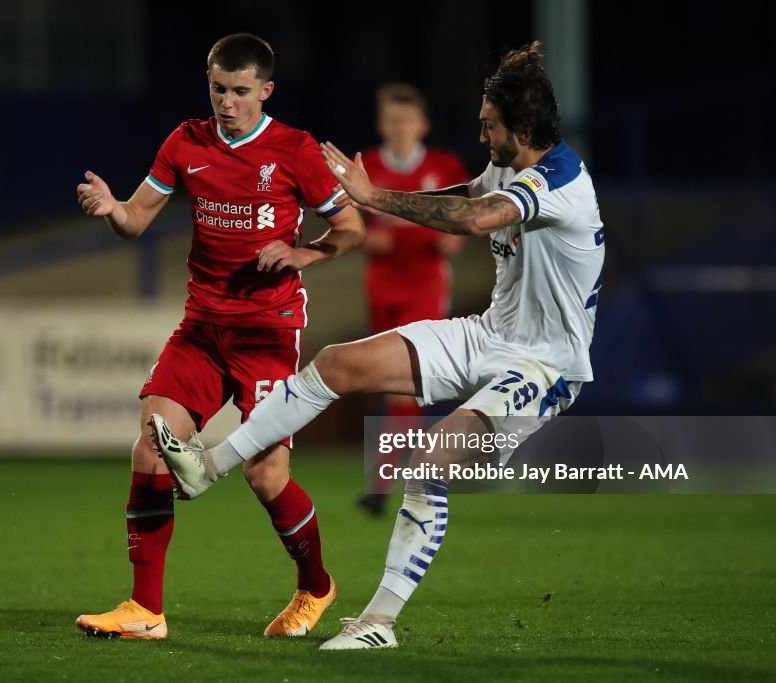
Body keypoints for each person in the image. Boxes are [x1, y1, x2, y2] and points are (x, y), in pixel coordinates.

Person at [150, 42, 605, 650]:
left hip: (546, 366)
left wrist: (373, 197)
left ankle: (378, 624)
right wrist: (372, 191)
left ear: (521, 130)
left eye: (488, 123)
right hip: (489, 335)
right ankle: (207, 468)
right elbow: (467, 199)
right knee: (338, 363)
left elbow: (476, 221)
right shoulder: (510, 166)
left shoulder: (560, 180)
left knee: (428, 466)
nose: (479, 130)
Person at [73, 33, 364, 640]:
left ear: (265, 90)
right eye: (217, 89)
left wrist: (300, 253)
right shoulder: (187, 141)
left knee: (266, 475)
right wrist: (111, 209)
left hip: (268, 333)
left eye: (238, 91)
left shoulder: (294, 150)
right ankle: (145, 610)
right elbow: (137, 218)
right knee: (152, 444)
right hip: (202, 328)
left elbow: (351, 227)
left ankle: (316, 586)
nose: (226, 102)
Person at [356, 83, 471, 516]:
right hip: (382, 286)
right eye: (391, 120)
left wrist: (453, 241)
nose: (399, 128)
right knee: (394, 385)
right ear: (381, 124)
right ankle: (424, 476)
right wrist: (367, 236)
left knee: (406, 385)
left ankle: (383, 484)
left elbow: (465, 218)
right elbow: (347, 219)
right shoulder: (366, 171)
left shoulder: (443, 168)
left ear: (422, 125)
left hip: (425, 284)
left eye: (406, 120)